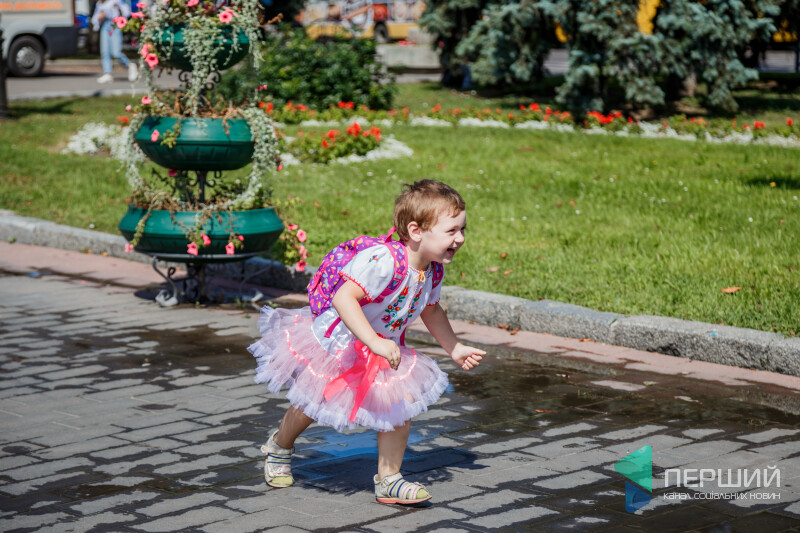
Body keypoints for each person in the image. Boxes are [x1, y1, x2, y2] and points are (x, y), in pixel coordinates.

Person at [248, 179, 486, 505]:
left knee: (399, 404)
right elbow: (344, 297)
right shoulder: (384, 261)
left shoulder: (432, 270)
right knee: (311, 402)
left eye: (462, 229)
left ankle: (389, 479)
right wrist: (373, 341)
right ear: (416, 231)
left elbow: (431, 309)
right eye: (452, 231)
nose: (460, 238)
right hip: (342, 343)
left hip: (382, 347)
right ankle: (279, 445)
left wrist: (454, 347)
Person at [92, 0, 137, 84]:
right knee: (105, 52)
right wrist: (99, 17)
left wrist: (119, 9)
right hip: (105, 26)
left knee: (116, 52)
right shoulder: (100, 4)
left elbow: (127, 12)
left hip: (115, 25)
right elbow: (94, 19)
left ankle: (130, 65)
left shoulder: (116, 1)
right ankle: (107, 73)